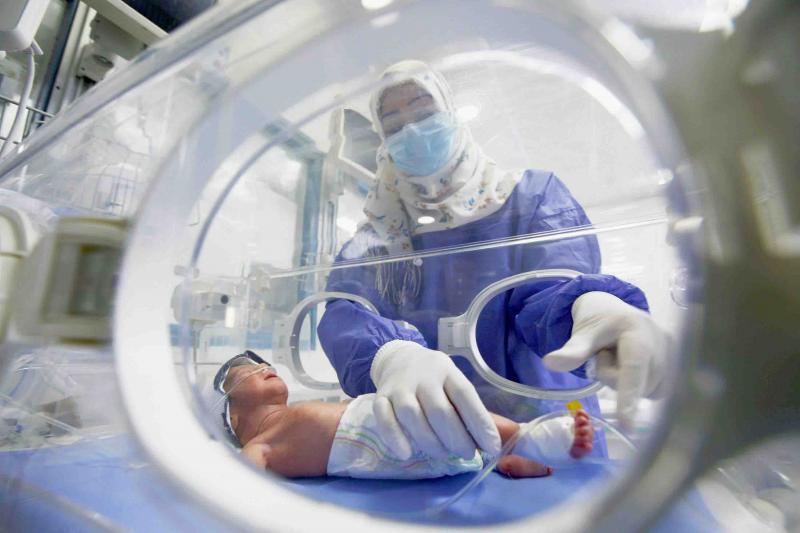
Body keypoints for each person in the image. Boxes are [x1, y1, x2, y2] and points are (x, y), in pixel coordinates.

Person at [317, 60, 668, 461]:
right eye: (393, 124)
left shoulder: (528, 198)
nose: (411, 130)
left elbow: (551, 289)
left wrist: (592, 307)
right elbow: (344, 310)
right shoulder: (377, 236)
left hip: (546, 432)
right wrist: (389, 356)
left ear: (449, 113)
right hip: (430, 440)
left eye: (423, 110)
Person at [214, 352, 594, 479]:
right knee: (450, 433)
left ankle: (522, 443)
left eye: (262, 362)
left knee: (451, 412)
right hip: (374, 454)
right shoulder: (262, 442)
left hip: (373, 424)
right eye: (245, 370)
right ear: (230, 412)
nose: (263, 365)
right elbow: (244, 478)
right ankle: (516, 447)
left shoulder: (290, 415)